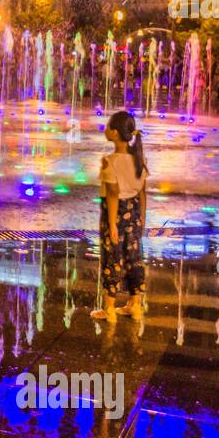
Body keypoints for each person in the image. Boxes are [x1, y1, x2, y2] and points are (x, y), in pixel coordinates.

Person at [93, 110, 149, 323]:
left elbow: (113, 194)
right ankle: (134, 306)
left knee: (112, 258)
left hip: (115, 215)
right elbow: (143, 192)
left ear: (115, 134)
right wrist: (142, 218)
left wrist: (113, 225)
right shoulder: (138, 160)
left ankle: (109, 309)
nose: (105, 130)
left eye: (108, 127)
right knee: (134, 258)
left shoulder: (110, 161)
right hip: (134, 213)